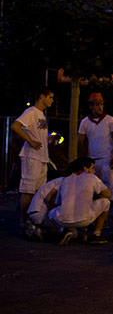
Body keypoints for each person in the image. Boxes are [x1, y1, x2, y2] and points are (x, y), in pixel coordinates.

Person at [11, 88, 54, 226]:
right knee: (28, 190)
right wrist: (29, 140)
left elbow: (38, 133)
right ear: (42, 97)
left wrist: (49, 140)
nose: (52, 100)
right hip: (32, 157)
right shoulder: (31, 112)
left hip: (42, 157)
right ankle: (23, 221)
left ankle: (33, 220)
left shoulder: (41, 115)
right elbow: (15, 126)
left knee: (38, 191)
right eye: (50, 97)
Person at [49, 157, 111, 244]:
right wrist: (95, 196)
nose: (94, 171)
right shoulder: (92, 177)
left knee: (51, 213)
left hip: (63, 220)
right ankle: (96, 234)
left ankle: (67, 230)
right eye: (92, 168)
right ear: (85, 168)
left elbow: (58, 202)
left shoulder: (66, 180)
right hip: (85, 219)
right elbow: (108, 194)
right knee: (106, 202)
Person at [78, 92, 113, 198]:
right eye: (97, 104)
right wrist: (83, 159)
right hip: (92, 160)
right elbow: (80, 141)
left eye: (101, 104)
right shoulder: (85, 122)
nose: (100, 107)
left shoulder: (110, 120)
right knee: (92, 187)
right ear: (90, 106)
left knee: (109, 187)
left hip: (107, 158)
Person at [25, 176, 64, 241]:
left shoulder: (60, 180)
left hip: (35, 211)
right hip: (40, 213)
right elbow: (48, 198)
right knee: (62, 229)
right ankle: (38, 230)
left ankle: (35, 225)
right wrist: (54, 213)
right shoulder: (64, 181)